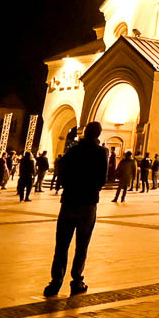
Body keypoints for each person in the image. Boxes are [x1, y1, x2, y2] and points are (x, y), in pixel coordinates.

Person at [43, 121, 108, 297]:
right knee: (82, 244)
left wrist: (71, 186)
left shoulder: (73, 151)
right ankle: (76, 280)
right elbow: (103, 179)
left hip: (69, 201)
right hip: (87, 203)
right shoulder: (101, 152)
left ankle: (55, 282)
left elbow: (62, 173)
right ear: (98, 134)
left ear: (85, 132)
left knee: (61, 245)